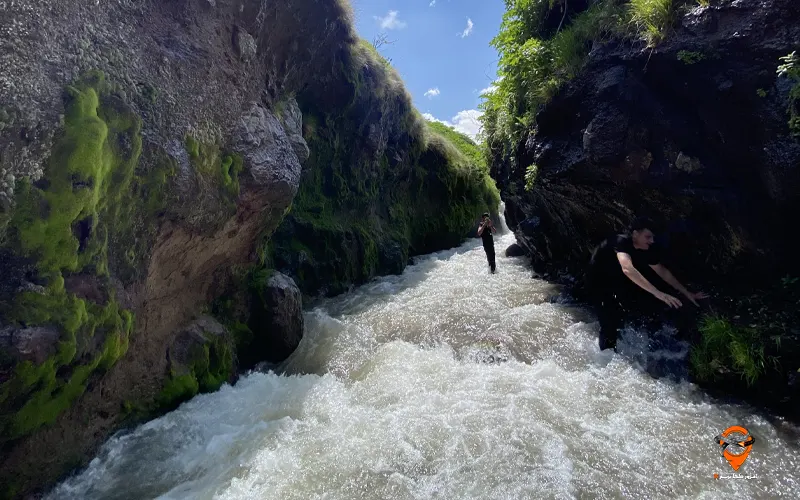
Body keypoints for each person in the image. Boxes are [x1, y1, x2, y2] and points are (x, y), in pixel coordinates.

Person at [586, 216, 709, 352]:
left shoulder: (646, 249)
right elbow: (627, 268)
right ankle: (606, 359)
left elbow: (662, 271)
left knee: (631, 311)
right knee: (609, 322)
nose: (651, 241)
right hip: (598, 281)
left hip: (617, 280)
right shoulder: (621, 241)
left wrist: (686, 292)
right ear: (635, 234)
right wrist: (658, 293)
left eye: (652, 237)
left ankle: (629, 345)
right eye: (648, 237)